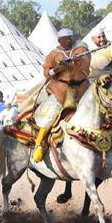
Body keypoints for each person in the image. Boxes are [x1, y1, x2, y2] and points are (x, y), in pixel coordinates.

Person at [34, 28, 90, 162]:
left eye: (70, 38)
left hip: (82, 89)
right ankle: (39, 144)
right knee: (50, 115)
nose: (68, 41)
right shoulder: (53, 54)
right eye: (65, 39)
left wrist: (78, 61)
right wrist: (59, 68)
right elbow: (47, 73)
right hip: (60, 90)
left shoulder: (81, 49)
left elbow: (87, 68)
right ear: (60, 41)